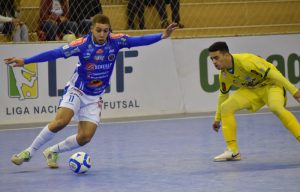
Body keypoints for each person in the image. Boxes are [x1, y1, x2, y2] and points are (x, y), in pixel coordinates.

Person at [6, 14, 177, 168]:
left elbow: (139, 40)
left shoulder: (116, 41)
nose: (102, 34)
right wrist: (26, 60)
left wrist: (162, 36)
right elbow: (55, 53)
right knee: (61, 121)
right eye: (99, 30)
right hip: (77, 90)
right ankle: (29, 152)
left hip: (95, 96)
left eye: (105, 30)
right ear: (91, 29)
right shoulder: (81, 45)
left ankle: (53, 151)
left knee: (85, 137)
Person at [208, 41, 300, 162]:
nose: (214, 62)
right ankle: (233, 151)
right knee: (226, 107)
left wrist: (294, 91)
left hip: (272, 85)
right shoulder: (224, 74)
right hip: (252, 90)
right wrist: (217, 118)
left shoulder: (246, 61)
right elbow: (223, 95)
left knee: (276, 107)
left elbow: (274, 74)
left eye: (216, 58)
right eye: (212, 59)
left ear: (226, 55)